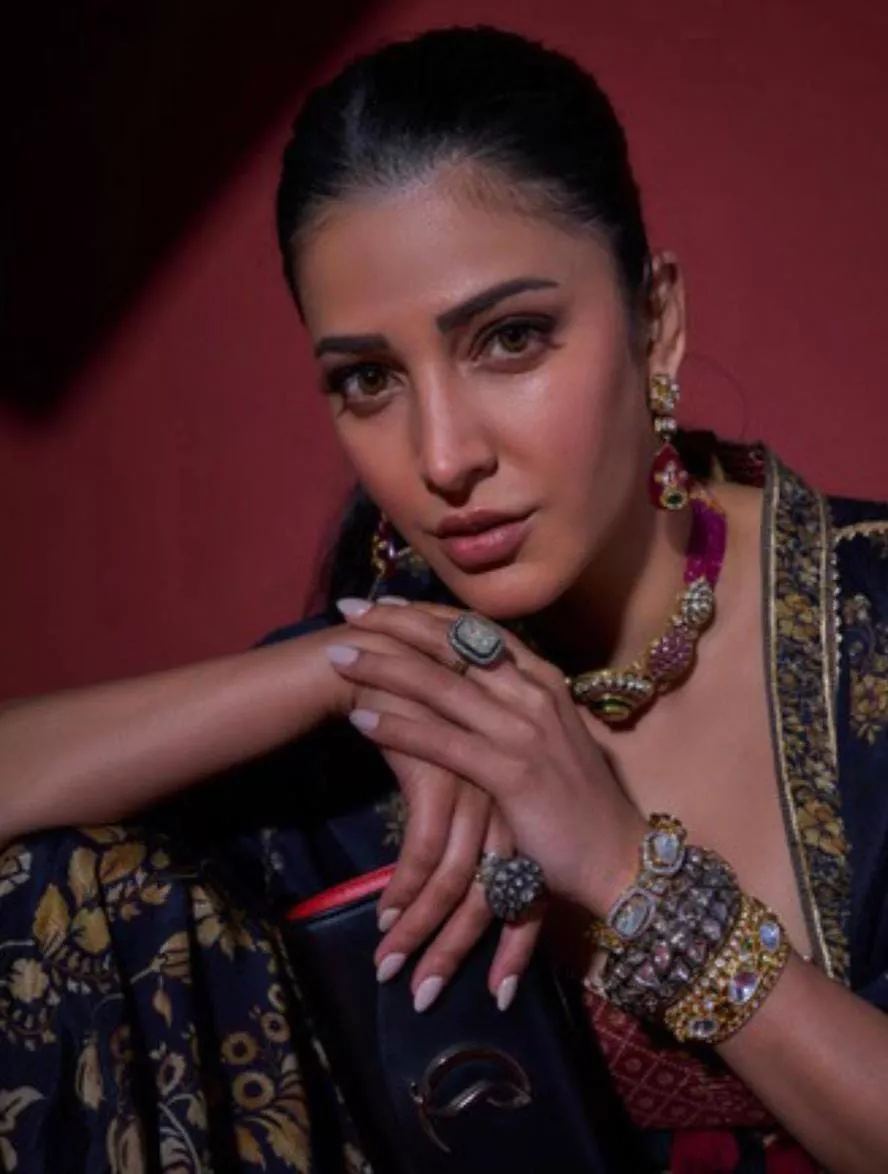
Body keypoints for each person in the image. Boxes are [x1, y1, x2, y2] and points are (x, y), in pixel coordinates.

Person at [1, 24, 887, 1174]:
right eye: (369, 379)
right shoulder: (364, 725)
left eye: (510, 338)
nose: (442, 455)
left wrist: (627, 874)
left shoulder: (867, 613)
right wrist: (337, 668)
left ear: (655, 319)